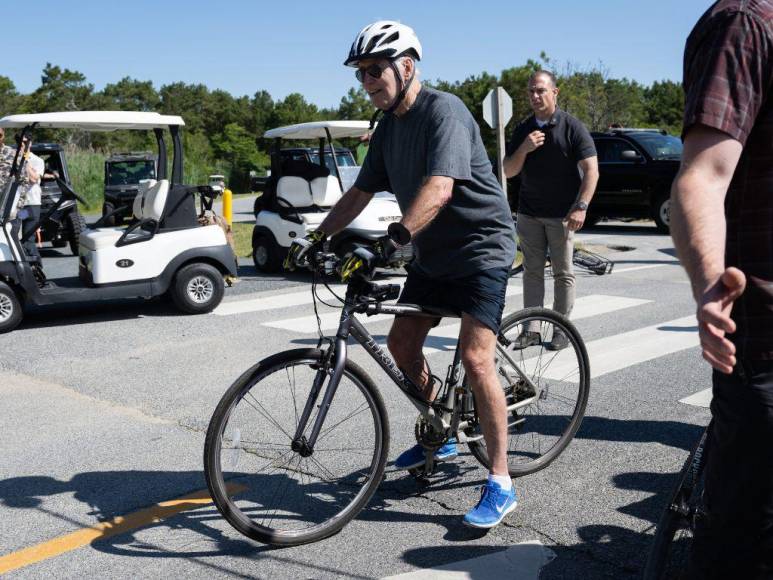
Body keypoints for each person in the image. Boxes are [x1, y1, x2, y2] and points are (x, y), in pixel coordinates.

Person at [285, 20, 518, 528]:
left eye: (374, 70)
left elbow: (439, 189)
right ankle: (443, 430)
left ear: (406, 67)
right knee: (402, 344)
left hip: (481, 250)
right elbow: (359, 193)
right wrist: (317, 237)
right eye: (360, 74)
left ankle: (500, 480)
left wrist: (391, 243)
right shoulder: (388, 127)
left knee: (477, 362)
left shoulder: (445, 111)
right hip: (433, 255)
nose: (367, 81)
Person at [670, 1, 773, 577]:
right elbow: (702, 176)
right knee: (743, 542)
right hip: (762, 338)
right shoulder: (746, 22)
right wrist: (710, 283)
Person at [503, 71, 598, 350]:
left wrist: (581, 207)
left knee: (562, 273)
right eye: (531, 91)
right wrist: (524, 148)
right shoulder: (524, 129)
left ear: (554, 92)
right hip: (529, 213)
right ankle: (530, 330)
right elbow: (508, 171)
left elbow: (592, 171)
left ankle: (560, 329)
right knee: (532, 272)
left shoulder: (572, 127)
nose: (535, 96)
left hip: (562, 216)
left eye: (541, 90)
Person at [16, 137, 45, 264]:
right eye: (21, 142)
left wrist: (25, 160)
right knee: (13, 234)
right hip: (17, 206)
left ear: (30, 143)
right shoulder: (12, 159)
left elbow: (34, 179)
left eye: (26, 142)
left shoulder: (37, 161)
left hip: (31, 205)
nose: (23, 144)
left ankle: (36, 266)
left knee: (28, 237)